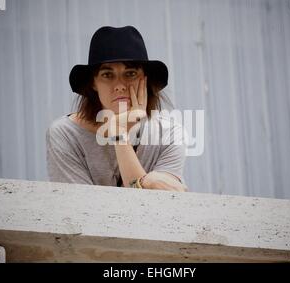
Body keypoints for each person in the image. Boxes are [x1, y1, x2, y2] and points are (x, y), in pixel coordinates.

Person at [46, 26, 187, 192]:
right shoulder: (65, 134)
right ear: (93, 83)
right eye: (107, 75)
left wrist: (120, 135)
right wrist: (146, 182)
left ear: (145, 80)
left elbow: (162, 204)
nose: (120, 86)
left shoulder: (169, 133)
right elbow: (81, 209)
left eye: (130, 73)